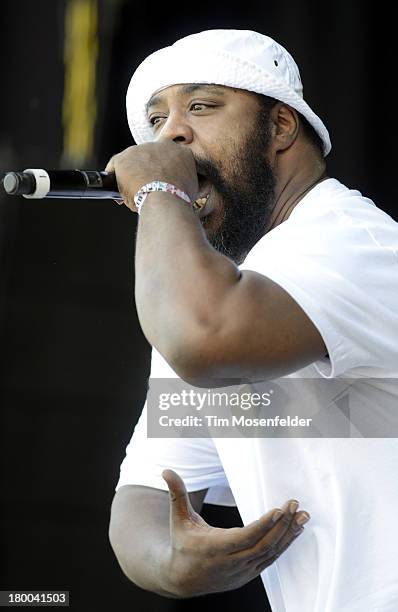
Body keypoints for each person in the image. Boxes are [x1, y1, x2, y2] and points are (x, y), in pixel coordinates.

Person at [107, 29, 398, 611]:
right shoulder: (212, 291)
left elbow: (202, 338)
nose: (173, 133)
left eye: (201, 106)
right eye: (157, 121)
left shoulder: (352, 244)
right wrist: (171, 563)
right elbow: (142, 495)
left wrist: (161, 188)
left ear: (281, 127)